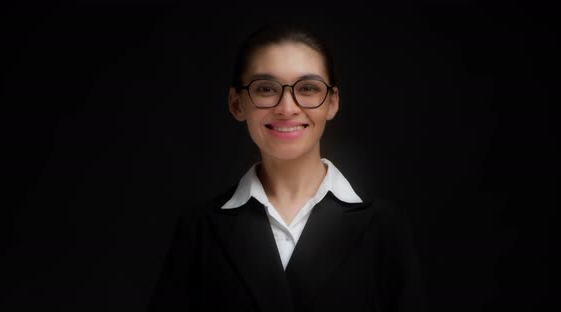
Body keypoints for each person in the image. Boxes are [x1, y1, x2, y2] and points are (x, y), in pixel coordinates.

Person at [148, 22, 427, 312]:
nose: (287, 107)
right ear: (236, 104)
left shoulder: (384, 228)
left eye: (307, 88)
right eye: (266, 88)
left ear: (332, 102)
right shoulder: (200, 229)